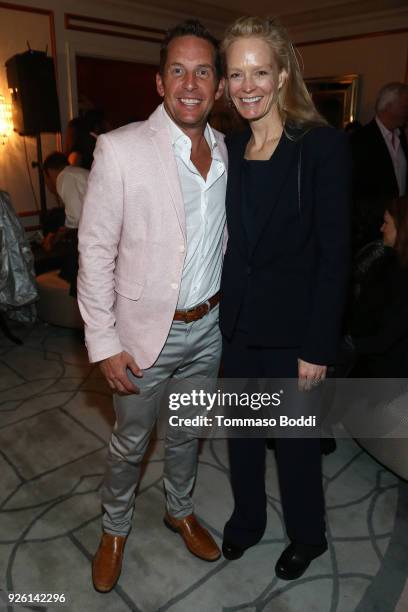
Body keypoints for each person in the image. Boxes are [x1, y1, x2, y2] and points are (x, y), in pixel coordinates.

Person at [77, 20, 227, 593]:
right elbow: (94, 249)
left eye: (203, 71)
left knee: (188, 431)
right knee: (131, 442)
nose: (191, 83)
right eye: (178, 71)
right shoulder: (119, 148)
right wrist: (104, 340)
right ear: (160, 83)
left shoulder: (226, 150)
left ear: (216, 88)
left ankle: (178, 508)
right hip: (142, 337)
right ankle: (114, 528)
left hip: (208, 328)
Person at [219, 17, 351, 580]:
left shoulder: (320, 146)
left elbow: (335, 256)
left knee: (295, 447)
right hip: (239, 326)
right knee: (244, 440)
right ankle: (247, 520)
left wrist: (317, 344)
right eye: (236, 74)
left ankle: (309, 535)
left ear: (281, 75)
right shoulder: (228, 147)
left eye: (259, 72)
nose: (247, 85)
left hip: (295, 332)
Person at [347, 196, 408, 377]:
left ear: (402, 228)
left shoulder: (398, 273)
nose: (381, 228)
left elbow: (387, 335)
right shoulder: (387, 263)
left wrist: (348, 345)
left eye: (386, 223)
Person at [351, 82, 408, 251]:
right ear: (389, 106)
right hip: (372, 230)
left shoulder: (401, 138)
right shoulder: (360, 141)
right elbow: (355, 191)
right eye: (405, 105)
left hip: (400, 229)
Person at [43, 152, 89, 295]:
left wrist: (57, 236)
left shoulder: (64, 177)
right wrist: (58, 235)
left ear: (49, 172)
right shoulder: (76, 173)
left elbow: (75, 220)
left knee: (74, 256)